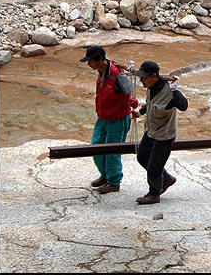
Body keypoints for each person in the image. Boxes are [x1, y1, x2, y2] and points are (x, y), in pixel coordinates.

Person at [80, 45, 137, 194]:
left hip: (117, 119)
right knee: (96, 146)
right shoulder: (101, 71)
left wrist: (131, 103)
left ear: (99, 59)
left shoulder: (117, 74)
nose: (88, 64)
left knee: (112, 151)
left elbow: (128, 89)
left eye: (90, 61)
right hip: (103, 117)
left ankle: (113, 182)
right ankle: (105, 176)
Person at [131, 60, 188, 205]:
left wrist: (175, 90)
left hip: (164, 136)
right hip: (151, 131)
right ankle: (166, 179)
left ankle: (154, 194)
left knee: (154, 166)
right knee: (142, 157)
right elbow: (150, 104)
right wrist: (140, 112)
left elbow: (184, 106)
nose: (141, 80)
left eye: (144, 77)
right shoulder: (151, 87)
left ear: (154, 76)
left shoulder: (169, 93)